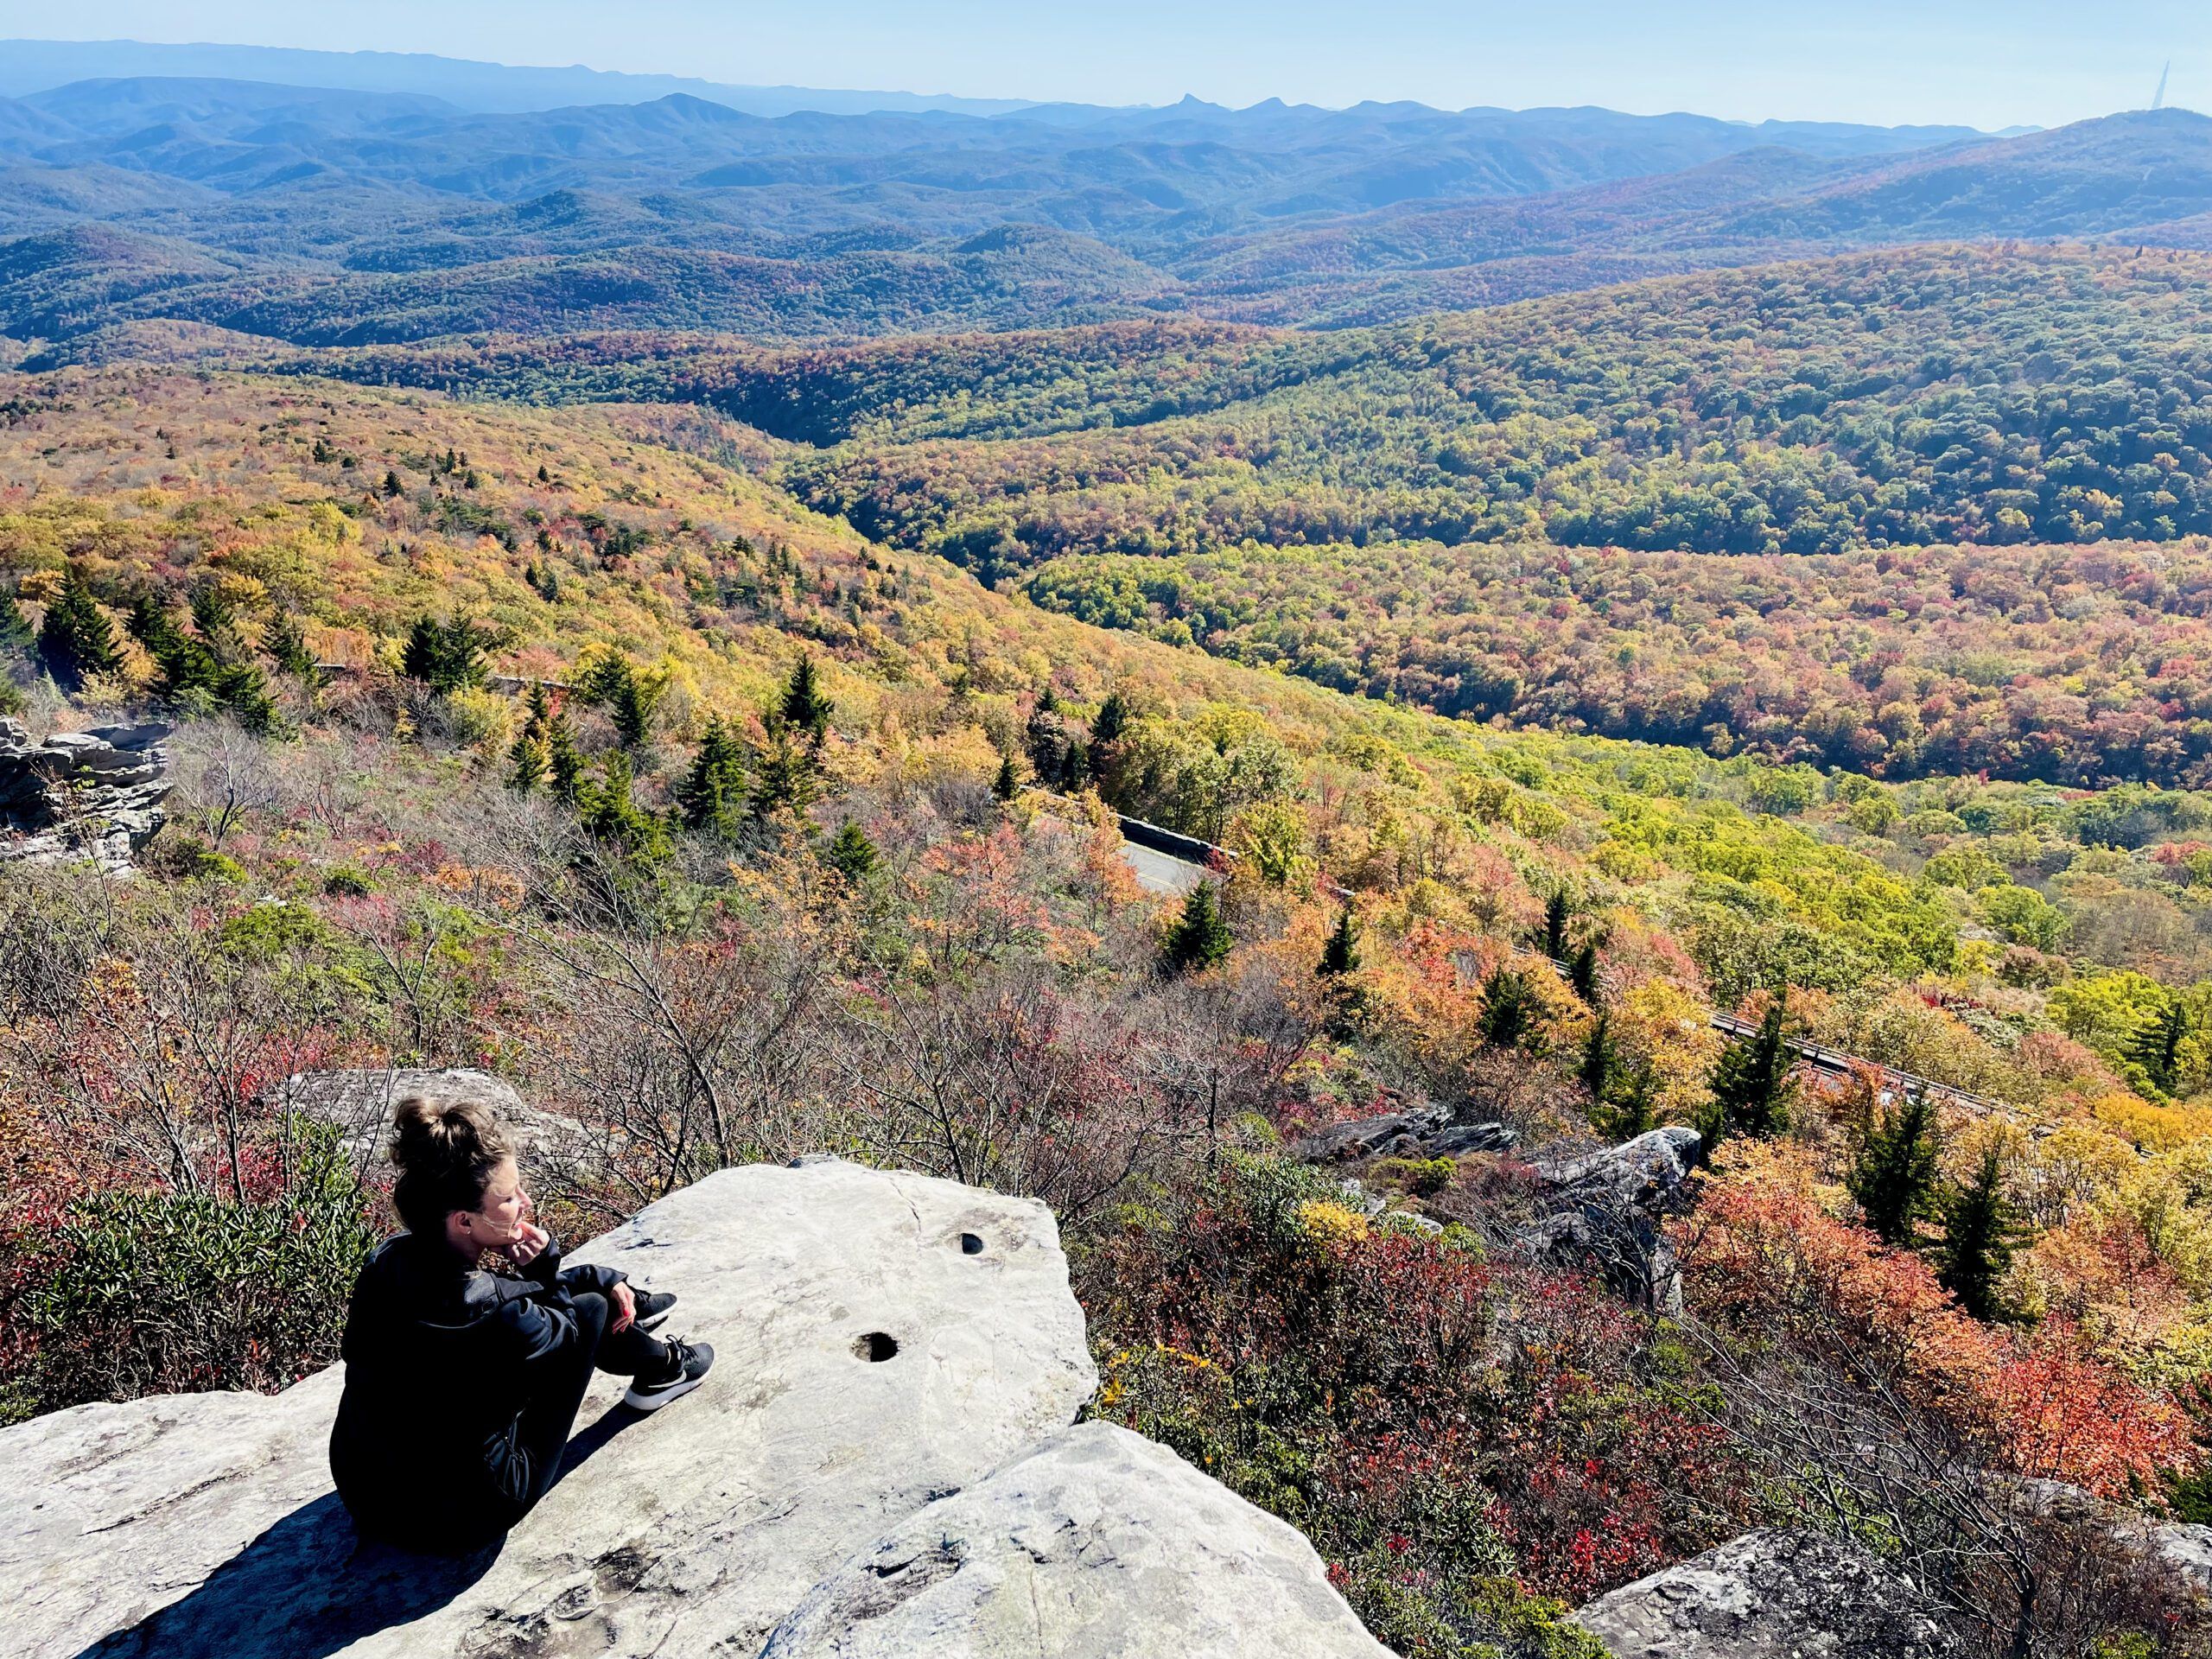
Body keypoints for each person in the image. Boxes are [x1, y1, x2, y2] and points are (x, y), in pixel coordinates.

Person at [329, 1094, 713, 1553]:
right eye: (509, 1198)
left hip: (366, 1493)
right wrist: (549, 1270)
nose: (525, 1203)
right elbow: (568, 1329)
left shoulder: (386, 1260)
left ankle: (632, 1311)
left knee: (579, 1299)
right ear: (464, 1221)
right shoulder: (496, 1310)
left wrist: (592, 1274)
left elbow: (506, 1303)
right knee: (592, 1309)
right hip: (462, 1518)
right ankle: (664, 1369)